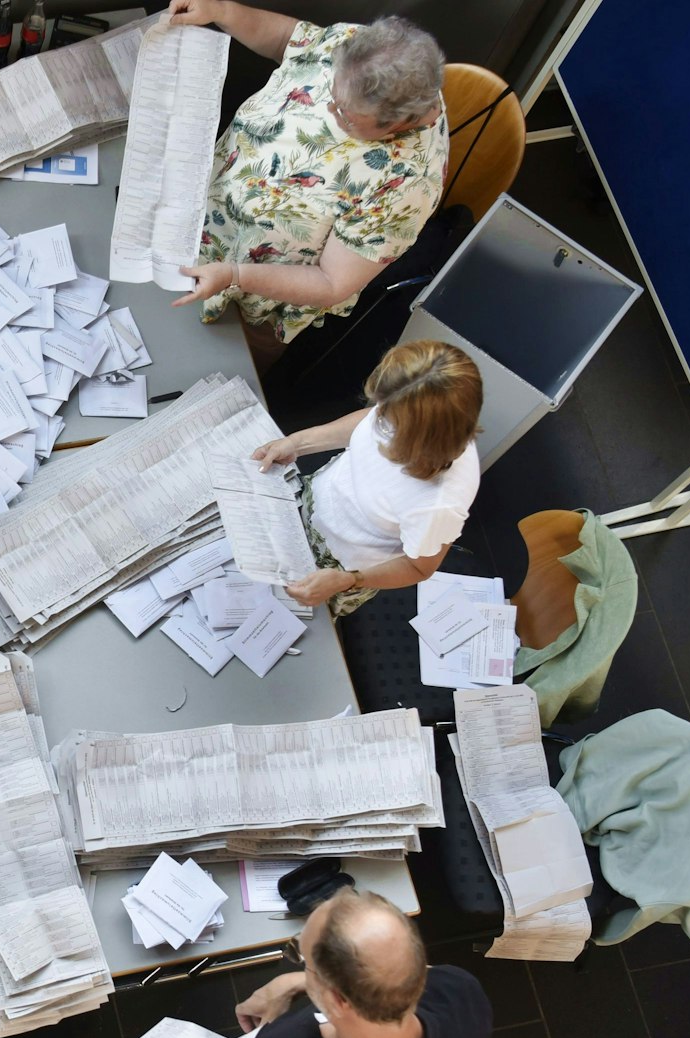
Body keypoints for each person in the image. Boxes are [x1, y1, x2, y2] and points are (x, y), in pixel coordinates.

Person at [0, 888, 491, 1038]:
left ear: (337, 1000)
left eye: (299, 954)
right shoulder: (461, 996)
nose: (294, 962)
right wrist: (296, 983)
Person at [167, 3, 449, 373]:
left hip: (244, 297)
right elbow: (290, 40)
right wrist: (221, 10)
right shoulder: (360, 51)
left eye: (346, 115)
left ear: (399, 122)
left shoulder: (408, 183)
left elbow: (333, 282)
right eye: (331, 92)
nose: (331, 109)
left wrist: (235, 276)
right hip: (190, 230)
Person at [254, 339, 481, 616]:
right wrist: (297, 443)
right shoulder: (402, 407)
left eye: (387, 418)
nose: (378, 417)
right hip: (310, 505)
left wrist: (352, 580)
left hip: (339, 567)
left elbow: (418, 567)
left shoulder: (439, 503)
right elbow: (368, 421)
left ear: (416, 435)